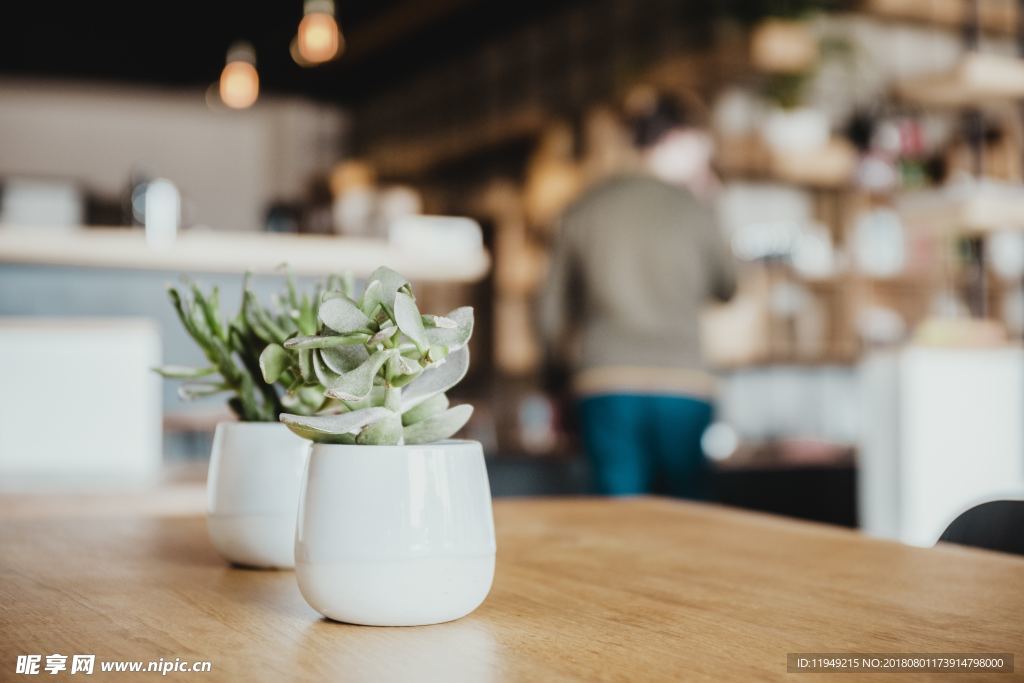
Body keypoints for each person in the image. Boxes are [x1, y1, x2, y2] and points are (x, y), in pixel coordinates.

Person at [538, 90, 736, 499]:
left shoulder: (584, 208)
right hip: (685, 383)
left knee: (619, 516)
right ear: (680, 138)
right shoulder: (695, 207)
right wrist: (713, 203)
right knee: (687, 518)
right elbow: (728, 286)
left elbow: (549, 311)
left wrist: (556, 381)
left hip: (605, 379)